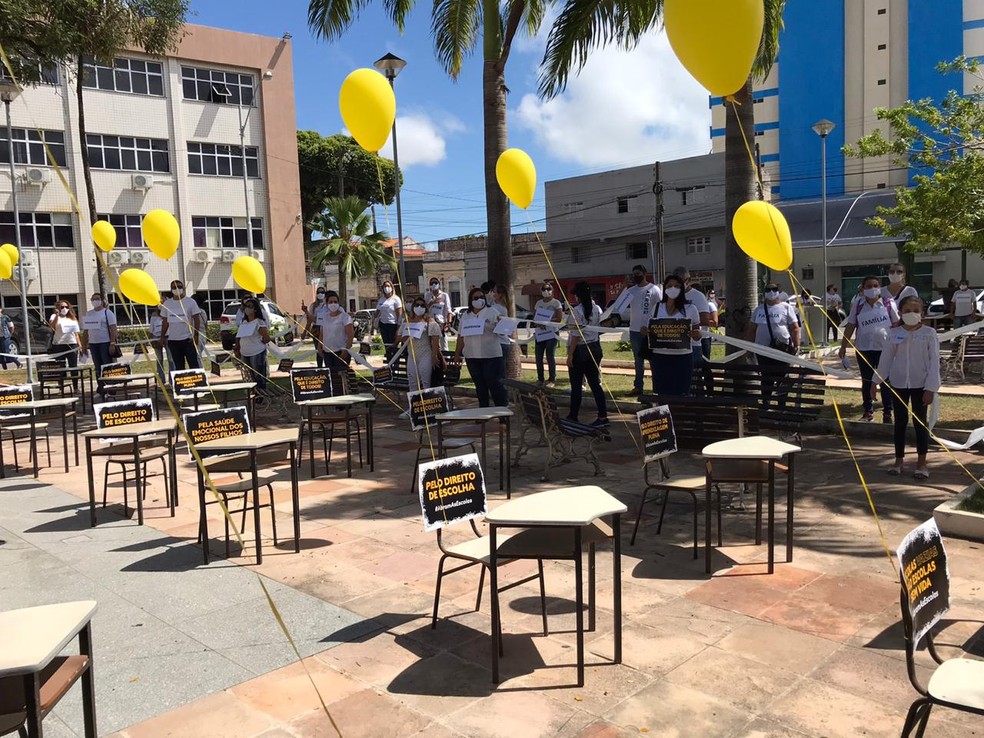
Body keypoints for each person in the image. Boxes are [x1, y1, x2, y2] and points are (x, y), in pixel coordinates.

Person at [873, 296, 939, 480]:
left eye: (916, 310)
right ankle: (898, 461)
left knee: (920, 423)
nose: (912, 314)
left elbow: (934, 362)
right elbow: (885, 359)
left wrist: (931, 387)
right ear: (900, 313)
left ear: (922, 313)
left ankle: (921, 463)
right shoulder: (894, 334)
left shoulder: (929, 333)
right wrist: (875, 381)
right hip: (899, 383)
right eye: (907, 310)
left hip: (921, 385)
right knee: (900, 422)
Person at [839, 275, 900, 422]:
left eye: (875, 285)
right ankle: (868, 411)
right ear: (863, 289)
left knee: (885, 380)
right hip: (864, 348)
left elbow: (897, 324)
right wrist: (843, 346)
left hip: (884, 349)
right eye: (869, 286)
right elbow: (851, 325)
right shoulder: (858, 305)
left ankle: (888, 412)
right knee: (866, 381)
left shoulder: (888, 303)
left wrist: (898, 345)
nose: (872, 289)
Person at [610, 265, 661, 396]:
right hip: (634, 330)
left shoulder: (654, 289)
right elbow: (618, 306)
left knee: (653, 360)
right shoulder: (631, 291)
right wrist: (624, 287)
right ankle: (638, 386)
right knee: (638, 360)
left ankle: (657, 388)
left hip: (650, 331)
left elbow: (660, 308)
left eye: (638, 273)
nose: (635, 276)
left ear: (644, 273)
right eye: (633, 274)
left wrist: (654, 327)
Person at [453, 286, 506, 407]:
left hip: (491, 356)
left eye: (481, 297)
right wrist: (457, 354)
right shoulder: (466, 316)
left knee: (494, 385)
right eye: (476, 298)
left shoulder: (492, 312)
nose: (479, 300)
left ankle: (502, 414)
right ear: (471, 300)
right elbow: (461, 336)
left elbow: (502, 330)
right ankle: (483, 413)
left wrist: (501, 323)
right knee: (480, 386)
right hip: (472, 357)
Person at [748, 283, 800, 403]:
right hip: (762, 350)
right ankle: (766, 403)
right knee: (766, 377)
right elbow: (752, 329)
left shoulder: (786, 308)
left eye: (774, 289)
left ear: (778, 291)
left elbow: (795, 328)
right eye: (768, 289)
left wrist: (796, 346)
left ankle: (781, 404)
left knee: (781, 377)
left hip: (782, 349)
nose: (771, 292)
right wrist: (749, 348)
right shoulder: (758, 309)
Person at [649, 274, 701, 396]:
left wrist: (695, 334)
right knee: (662, 395)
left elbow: (698, 335)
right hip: (660, 358)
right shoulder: (657, 307)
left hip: (682, 358)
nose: (673, 288)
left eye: (677, 286)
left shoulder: (691, 308)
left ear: (682, 289)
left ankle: (680, 415)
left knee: (681, 394)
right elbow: (651, 328)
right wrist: (646, 331)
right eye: (669, 286)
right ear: (665, 288)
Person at [566, 281, 608, 426]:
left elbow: (575, 335)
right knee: (595, 383)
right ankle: (603, 416)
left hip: (580, 350)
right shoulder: (597, 308)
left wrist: (570, 354)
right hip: (595, 347)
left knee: (576, 385)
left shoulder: (576, 311)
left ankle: (573, 416)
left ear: (578, 296)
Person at [398, 295, 444, 392]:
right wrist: (405, 337)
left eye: (422, 305)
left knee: (426, 382)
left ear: (426, 308)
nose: (419, 307)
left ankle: (427, 405)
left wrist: (434, 355)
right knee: (412, 382)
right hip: (412, 355)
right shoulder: (407, 321)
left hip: (425, 355)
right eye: (417, 305)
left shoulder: (429, 321)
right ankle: (414, 406)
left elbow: (435, 339)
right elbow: (399, 337)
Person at [80, 292, 119, 396]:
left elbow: (113, 329)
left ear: (102, 300)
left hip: (105, 343)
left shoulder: (107, 313)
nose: (95, 301)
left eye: (97, 299)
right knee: (97, 367)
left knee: (106, 366)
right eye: (93, 299)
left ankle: (110, 389)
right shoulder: (89, 314)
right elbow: (86, 331)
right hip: (93, 344)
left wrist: (112, 343)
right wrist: (83, 346)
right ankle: (101, 389)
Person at [161, 279, 203, 371]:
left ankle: (197, 384)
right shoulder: (167, 304)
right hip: (173, 340)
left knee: (193, 364)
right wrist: (162, 336)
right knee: (179, 366)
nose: (177, 289)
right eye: (174, 287)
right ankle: (182, 384)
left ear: (183, 288)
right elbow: (165, 321)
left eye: (179, 287)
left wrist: (196, 335)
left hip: (188, 339)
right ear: (171, 289)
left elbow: (196, 319)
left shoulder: (190, 302)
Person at [673, 267, 710, 369]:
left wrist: (685, 324)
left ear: (688, 281)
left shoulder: (698, 296)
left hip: (694, 343)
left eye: (680, 282)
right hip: (677, 344)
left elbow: (705, 320)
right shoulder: (672, 296)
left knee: (698, 376)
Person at [234, 296, 271, 390]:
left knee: (258, 376)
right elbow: (239, 336)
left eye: (250, 306)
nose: (247, 309)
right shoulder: (244, 322)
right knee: (250, 376)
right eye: (246, 306)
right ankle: (254, 394)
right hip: (245, 353)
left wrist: (263, 340)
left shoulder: (259, 322)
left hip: (256, 352)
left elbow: (266, 338)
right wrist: (237, 347)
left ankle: (261, 395)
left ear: (255, 309)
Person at [533, 281, 563, 387]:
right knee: (538, 356)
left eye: (548, 289)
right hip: (540, 333)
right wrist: (539, 323)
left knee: (550, 355)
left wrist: (547, 321)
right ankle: (540, 379)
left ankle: (552, 379)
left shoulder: (556, 303)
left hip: (551, 333)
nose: (546, 291)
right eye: (544, 289)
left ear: (552, 290)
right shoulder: (538, 303)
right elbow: (535, 318)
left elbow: (559, 319)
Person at [48, 299, 81, 389]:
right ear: (58, 308)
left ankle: (75, 387)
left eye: (66, 307)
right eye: (62, 307)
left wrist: (80, 345)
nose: (64, 309)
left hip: (72, 344)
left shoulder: (72, 317)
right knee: (60, 367)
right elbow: (52, 327)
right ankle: (61, 386)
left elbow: (76, 333)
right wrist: (57, 316)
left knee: (73, 366)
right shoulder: (54, 316)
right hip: (58, 344)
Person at [320, 290, 354, 377]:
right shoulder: (325, 318)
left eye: (335, 301)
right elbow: (322, 333)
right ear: (327, 304)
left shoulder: (345, 317)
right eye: (330, 302)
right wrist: (320, 347)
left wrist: (346, 350)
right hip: (327, 352)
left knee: (341, 377)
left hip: (341, 352)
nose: (333, 303)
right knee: (331, 377)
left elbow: (350, 335)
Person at [303, 287, 329, 368]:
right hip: (316, 329)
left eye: (322, 292)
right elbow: (310, 320)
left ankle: (328, 367)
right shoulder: (313, 306)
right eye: (318, 292)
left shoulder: (327, 305)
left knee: (327, 349)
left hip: (326, 328)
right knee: (318, 350)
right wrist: (305, 332)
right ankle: (320, 368)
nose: (320, 294)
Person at [376, 280, 403, 353]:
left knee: (393, 345)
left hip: (393, 325)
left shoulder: (396, 299)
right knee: (386, 345)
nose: (386, 288)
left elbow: (399, 315)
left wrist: (398, 328)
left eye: (388, 286)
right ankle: (389, 361)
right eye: (385, 286)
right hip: (383, 325)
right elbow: (377, 312)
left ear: (391, 287)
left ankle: (395, 362)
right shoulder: (382, 299)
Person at [426, 277, 452, 350]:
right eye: (432, 283)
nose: (434, 285)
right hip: (431, 322)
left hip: (441, 322)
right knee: (432, 343)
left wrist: (448, 322)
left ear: (439, 284)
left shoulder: (444, 295)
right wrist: (432, 302)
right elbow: (425, 309)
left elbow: (448, 310)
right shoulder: (427, 295)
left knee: (443, 343)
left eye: (435, 283)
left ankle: (446, 358)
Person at [148, 304, 166, 382]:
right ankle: (161, 380)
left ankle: (172, 381)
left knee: (171, 360)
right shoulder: (154, 316)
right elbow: (151, 329)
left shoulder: (167, 314)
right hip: (156, 338)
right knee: (159, 360)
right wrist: (151, 340)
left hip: (167, 338)